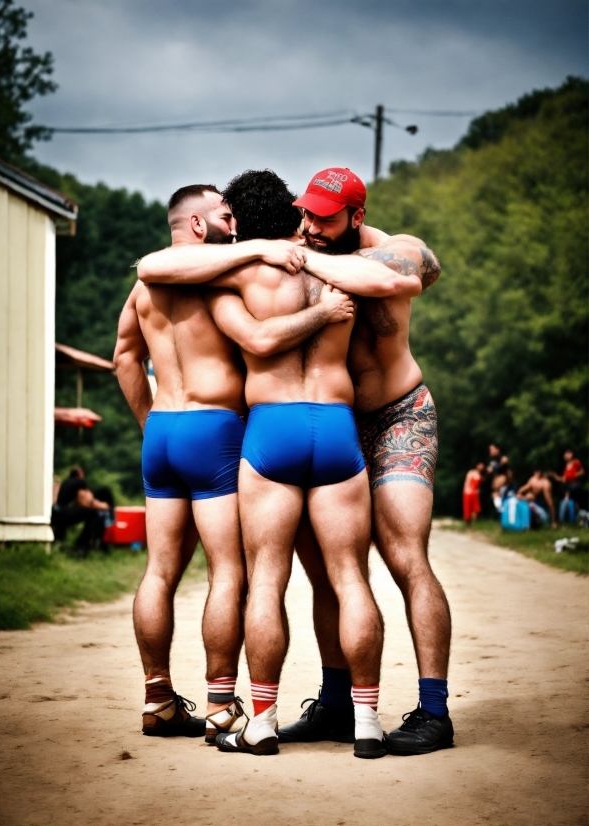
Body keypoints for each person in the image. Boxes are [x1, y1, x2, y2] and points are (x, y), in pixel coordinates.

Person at [116, 183, 353, 742]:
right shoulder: (215, 277)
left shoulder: (147, 283)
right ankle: (223, 703)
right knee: (229, 573)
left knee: (159, 571)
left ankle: (158, 698)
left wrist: (150, 421)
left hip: (163, 431)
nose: (236, 223)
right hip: (213, 427)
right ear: (198, 225)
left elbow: (124, 357)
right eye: (225, 215)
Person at [198, 170, 389, 759]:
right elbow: (393, 261)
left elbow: (248, 336)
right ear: (291, 210)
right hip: (334, 427)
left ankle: (262, 720)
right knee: (351, 579)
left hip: (272, 429)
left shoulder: (234, 272)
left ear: (239, 220)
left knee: (268, 581)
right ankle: (367, 721)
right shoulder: (342, 269)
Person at [277, 167, 453, 756]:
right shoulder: (294, 251)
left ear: (355, 215)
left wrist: (310, 261)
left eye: (324, 217)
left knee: (406, 555)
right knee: (331, 568)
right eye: (305, 214)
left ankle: (434, 711)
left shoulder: (397, 249)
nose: (310, 227)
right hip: (337, 423)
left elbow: (402, 277)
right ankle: (334, 702)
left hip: (401, 413)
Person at [51, 467, 109, 552]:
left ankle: (57, 544)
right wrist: (104, 506)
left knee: (63, 520)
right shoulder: (80, 482)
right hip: (63, 511)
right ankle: (82, 546)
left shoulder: (66, 482)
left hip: (56, 511)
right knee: (92, 513)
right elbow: (88, 500)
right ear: (80, 474)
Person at [549, 450, 586, 522]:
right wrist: (554, 476)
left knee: (573, 501)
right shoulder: (566, 466)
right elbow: (563, 479)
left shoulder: (576, 462)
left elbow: (582, 472)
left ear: (571, 454)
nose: (564, 456)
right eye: (564, 454)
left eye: (566, 454)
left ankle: (578, 519)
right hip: (567, 487)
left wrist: (574, 476)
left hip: (575, 487)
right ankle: (569, 519)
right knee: (570, 503)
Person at [463, 463, 485, 528]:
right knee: (468, 509)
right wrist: (466, 491)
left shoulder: (481, 475)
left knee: (476, 510)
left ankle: (473, 525)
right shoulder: (471, 472)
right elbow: (467, 482)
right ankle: (468, 525)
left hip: (475, 493)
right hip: (468, 492)